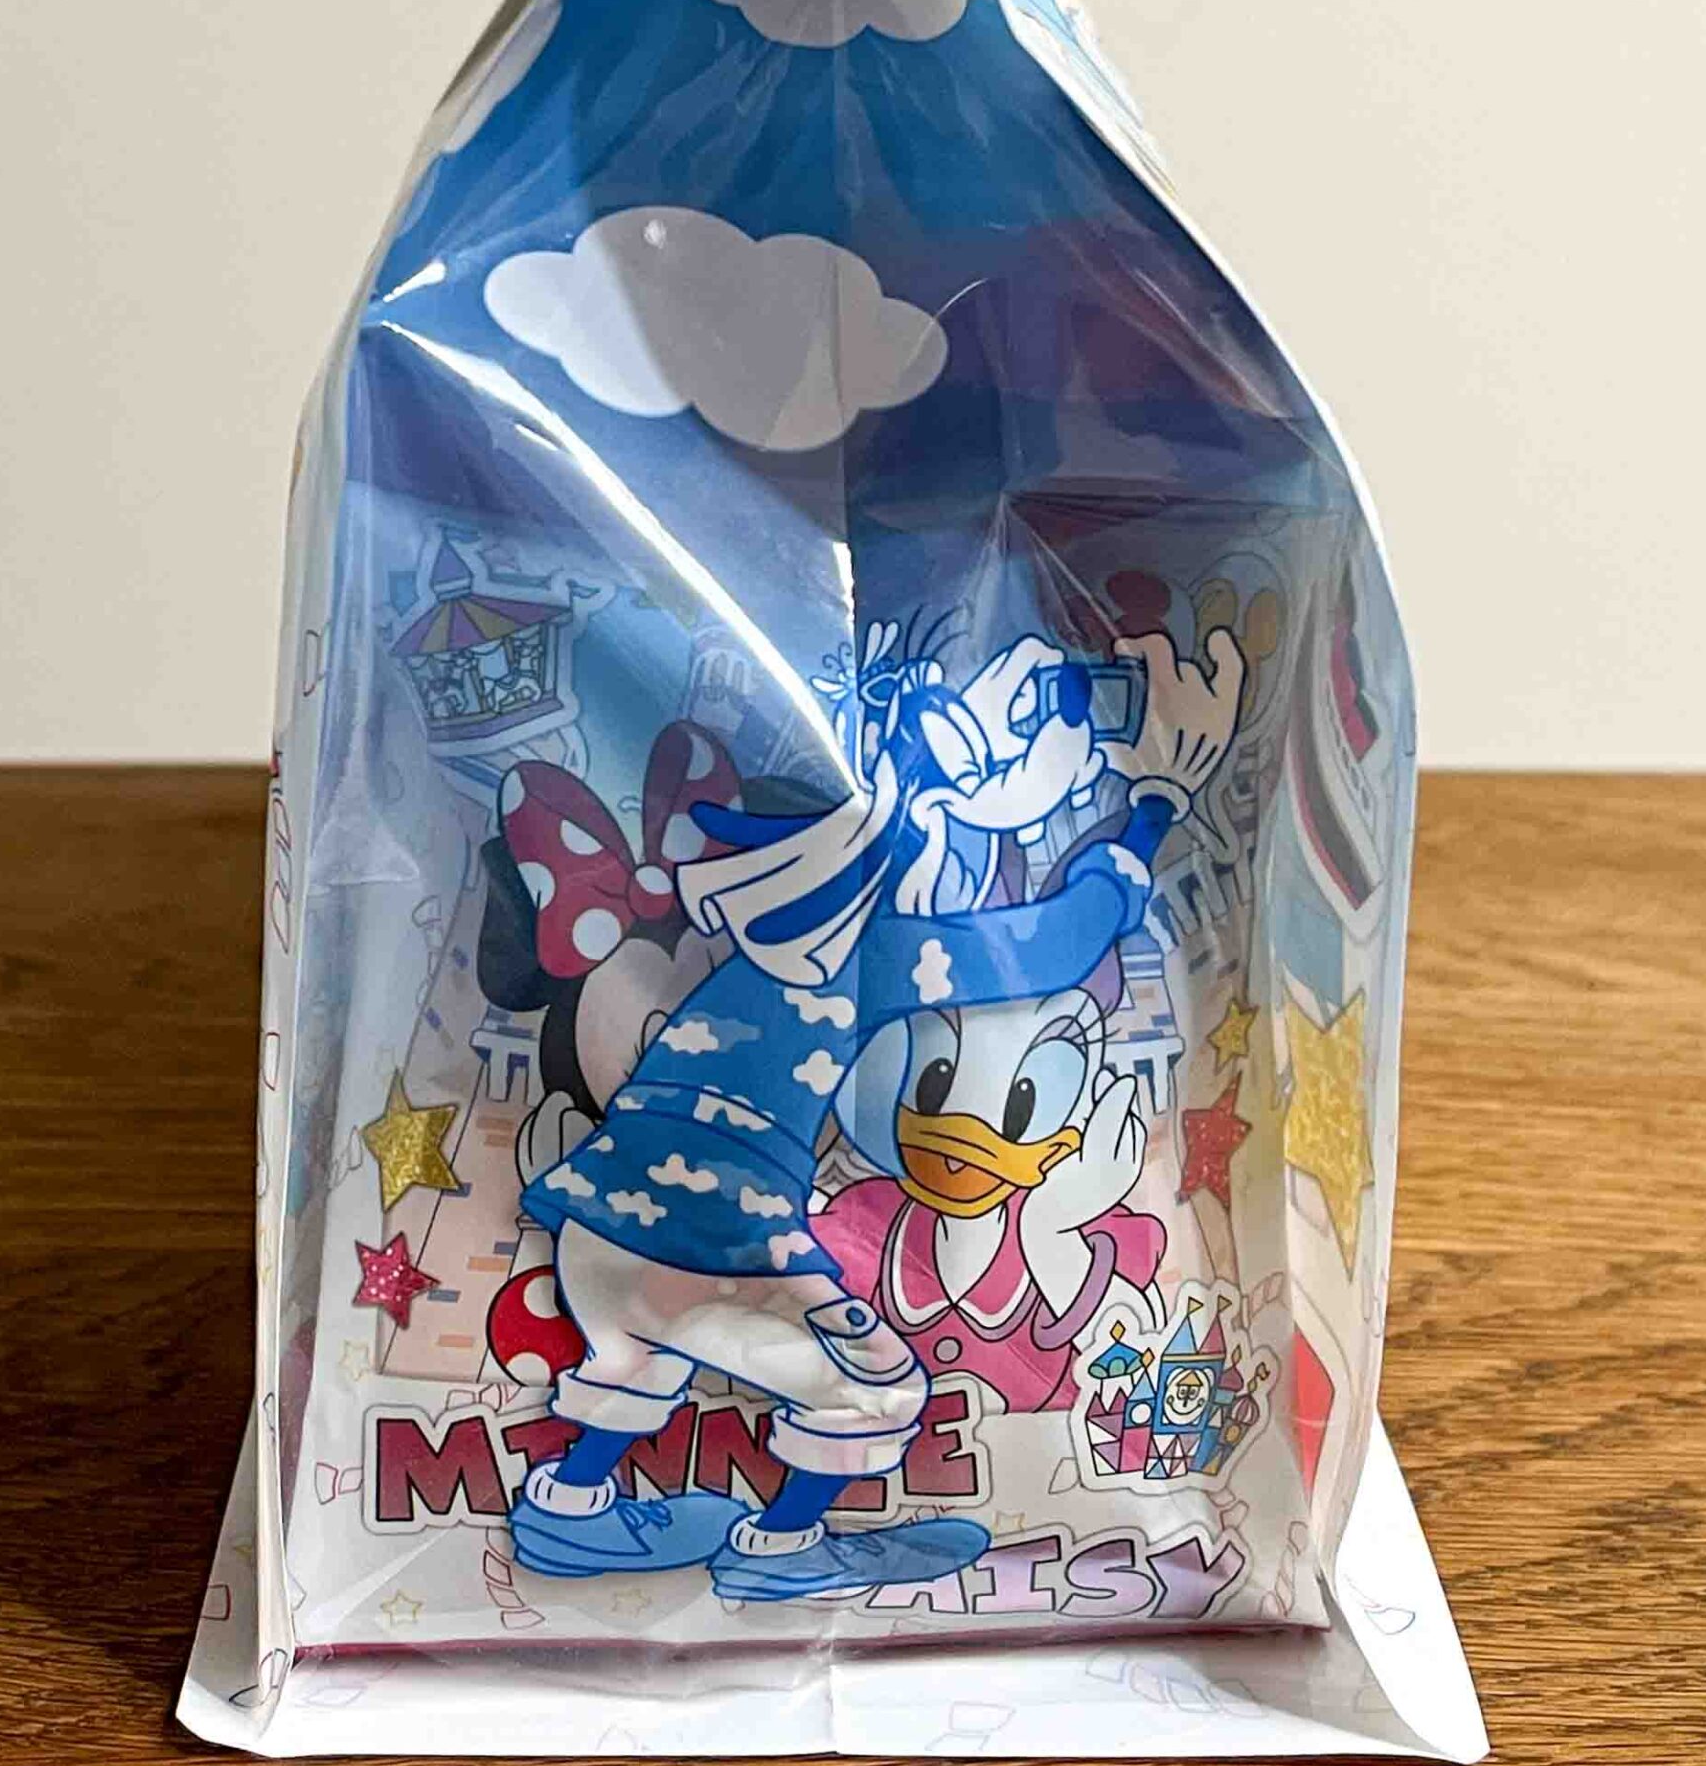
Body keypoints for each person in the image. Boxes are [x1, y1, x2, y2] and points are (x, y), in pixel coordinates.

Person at [510, 618, 1243, 1600]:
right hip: (716, 1241)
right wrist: (1151, 808)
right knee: (876, 1386)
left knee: (636, 1344)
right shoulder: (876, 951)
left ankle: (567, 1511)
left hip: (596, 1228)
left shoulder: (765, 944)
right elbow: (1055, 944)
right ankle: (780, 1548)